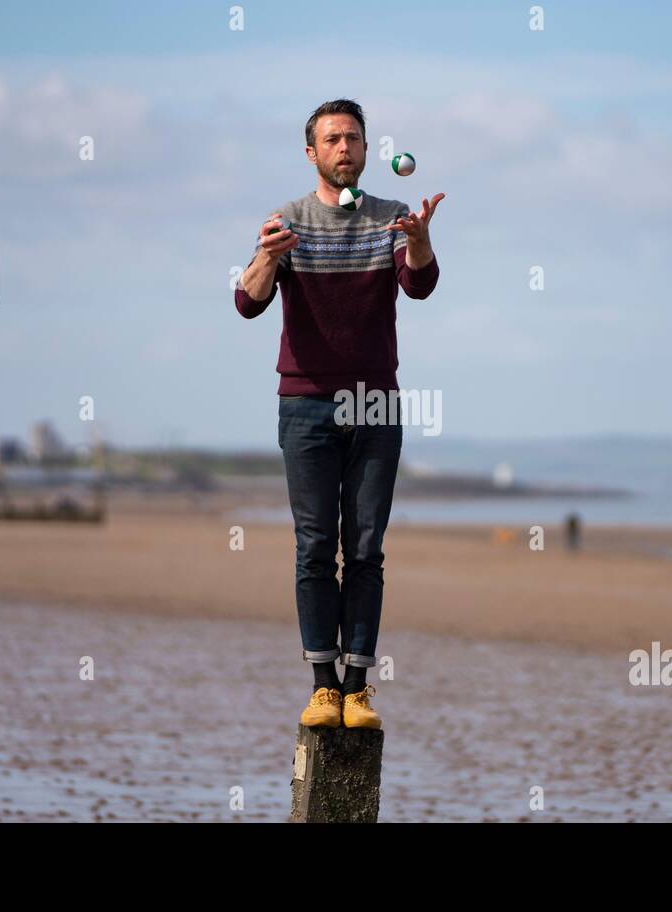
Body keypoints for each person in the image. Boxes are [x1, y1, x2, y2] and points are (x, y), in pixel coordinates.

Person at [234, 99, 444, 730]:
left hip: (375, 399)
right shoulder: (287, 221)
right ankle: (322, 685)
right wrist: (269, 255)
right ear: (312, 153)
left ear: (366, 148)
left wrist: (421, 240)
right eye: (332, 140)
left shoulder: (391, 218)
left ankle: (358, 688)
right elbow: (247, 304)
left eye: (353, 138)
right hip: (305, 402)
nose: (344, 148)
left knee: (367, 547)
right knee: (314, 546)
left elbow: (421, 286)